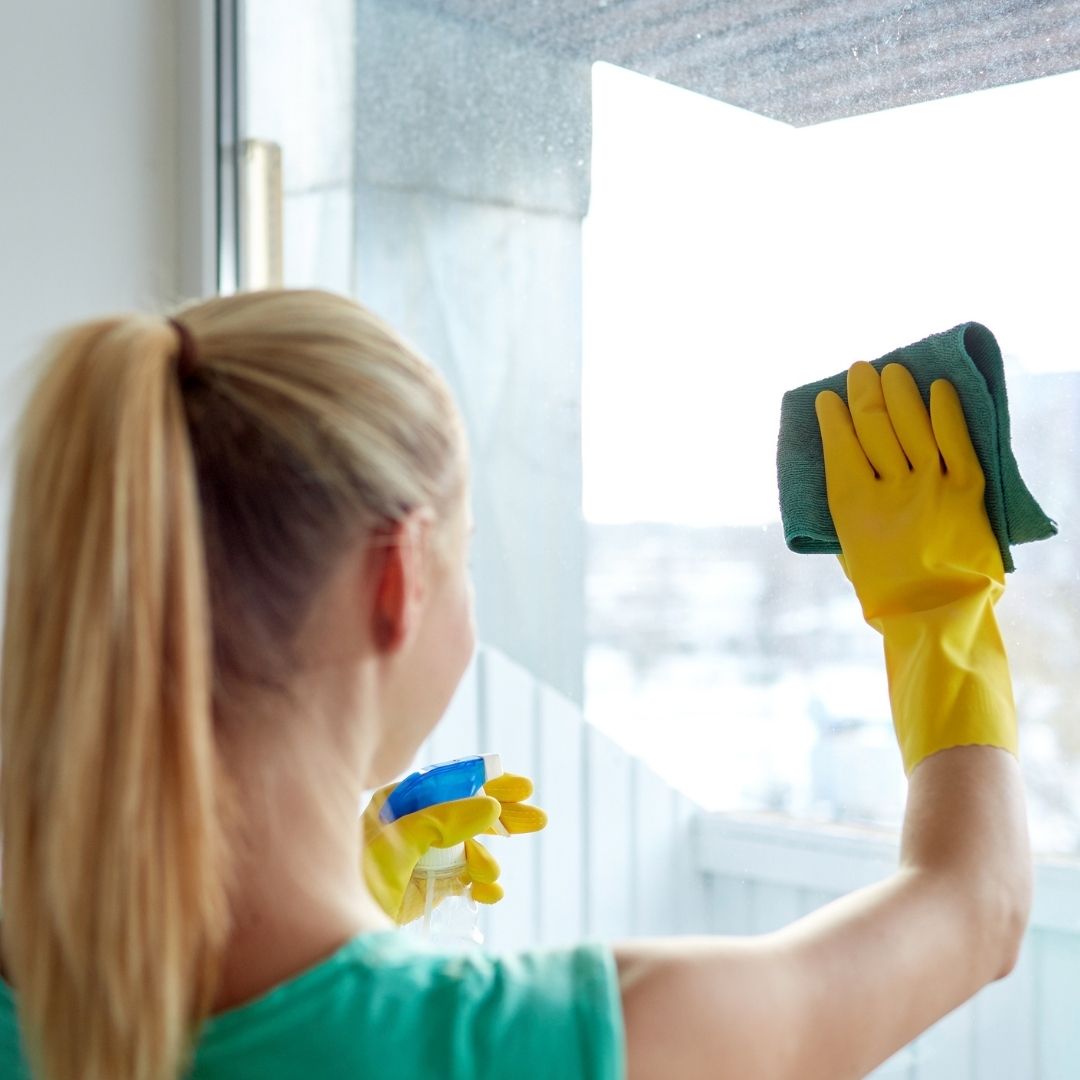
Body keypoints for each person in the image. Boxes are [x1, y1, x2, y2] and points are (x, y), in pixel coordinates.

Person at [0, 289, 1030, 1080]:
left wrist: (329, 886)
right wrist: (933, 609)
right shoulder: (523, 1050)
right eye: (469, 553)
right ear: (397, 577)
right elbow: (974, 910)